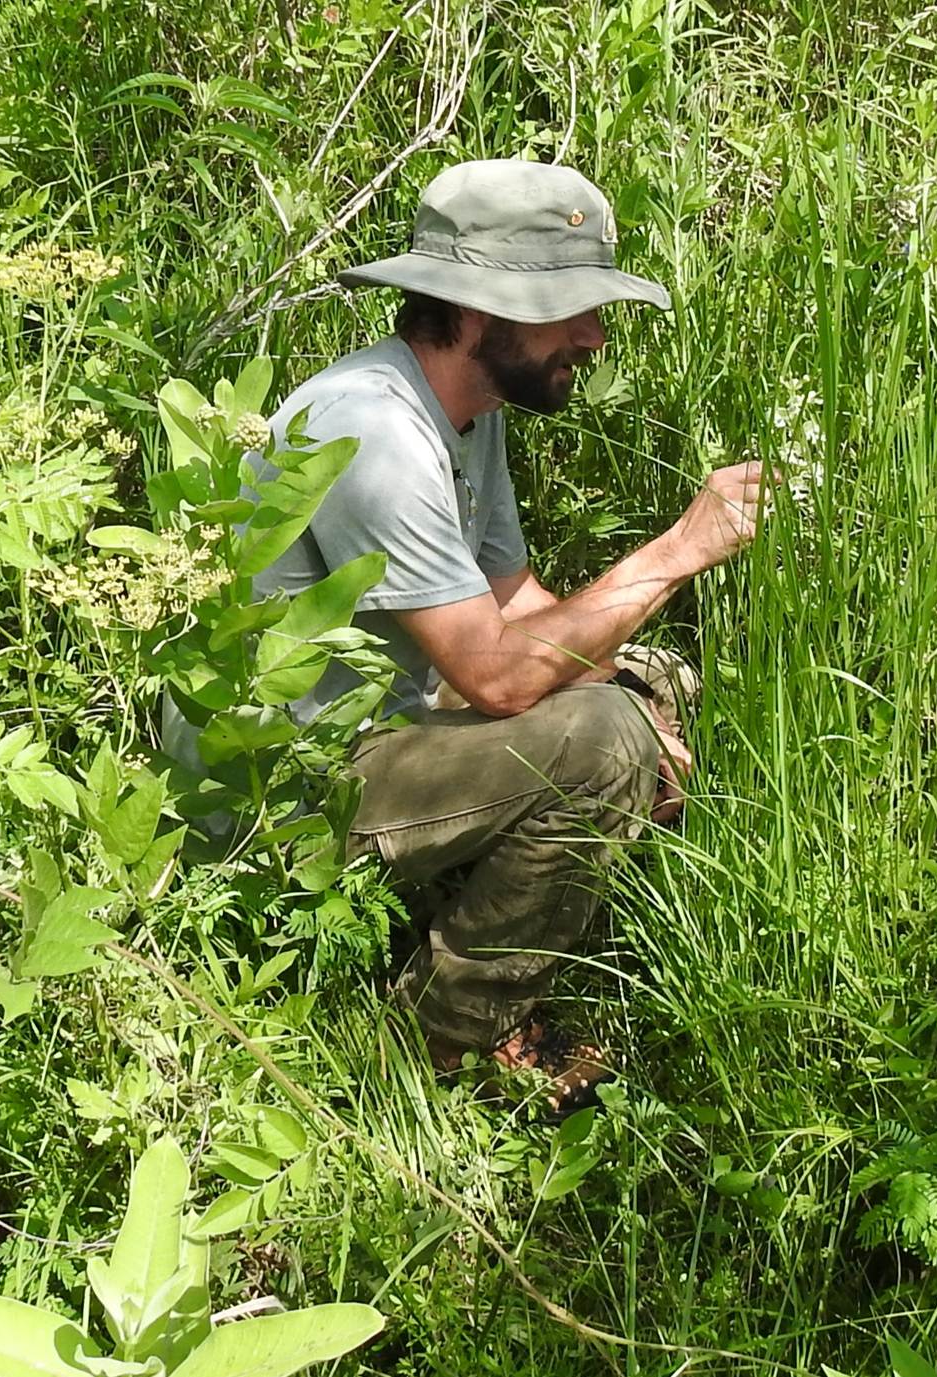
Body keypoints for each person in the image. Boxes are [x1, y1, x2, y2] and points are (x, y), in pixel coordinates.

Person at [246, 159, 766, 1112]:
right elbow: (492, 677)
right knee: (603, 743)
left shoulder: (464, 416)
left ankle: (440, 926)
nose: (594, 335)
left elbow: (517, 603)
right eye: (569, 308)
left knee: (645, 683)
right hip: (274, 792)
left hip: (379, 727)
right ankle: (441, 1043)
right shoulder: (374, 430)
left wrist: (638, 698)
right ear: (477, 310)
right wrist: (680, 551)